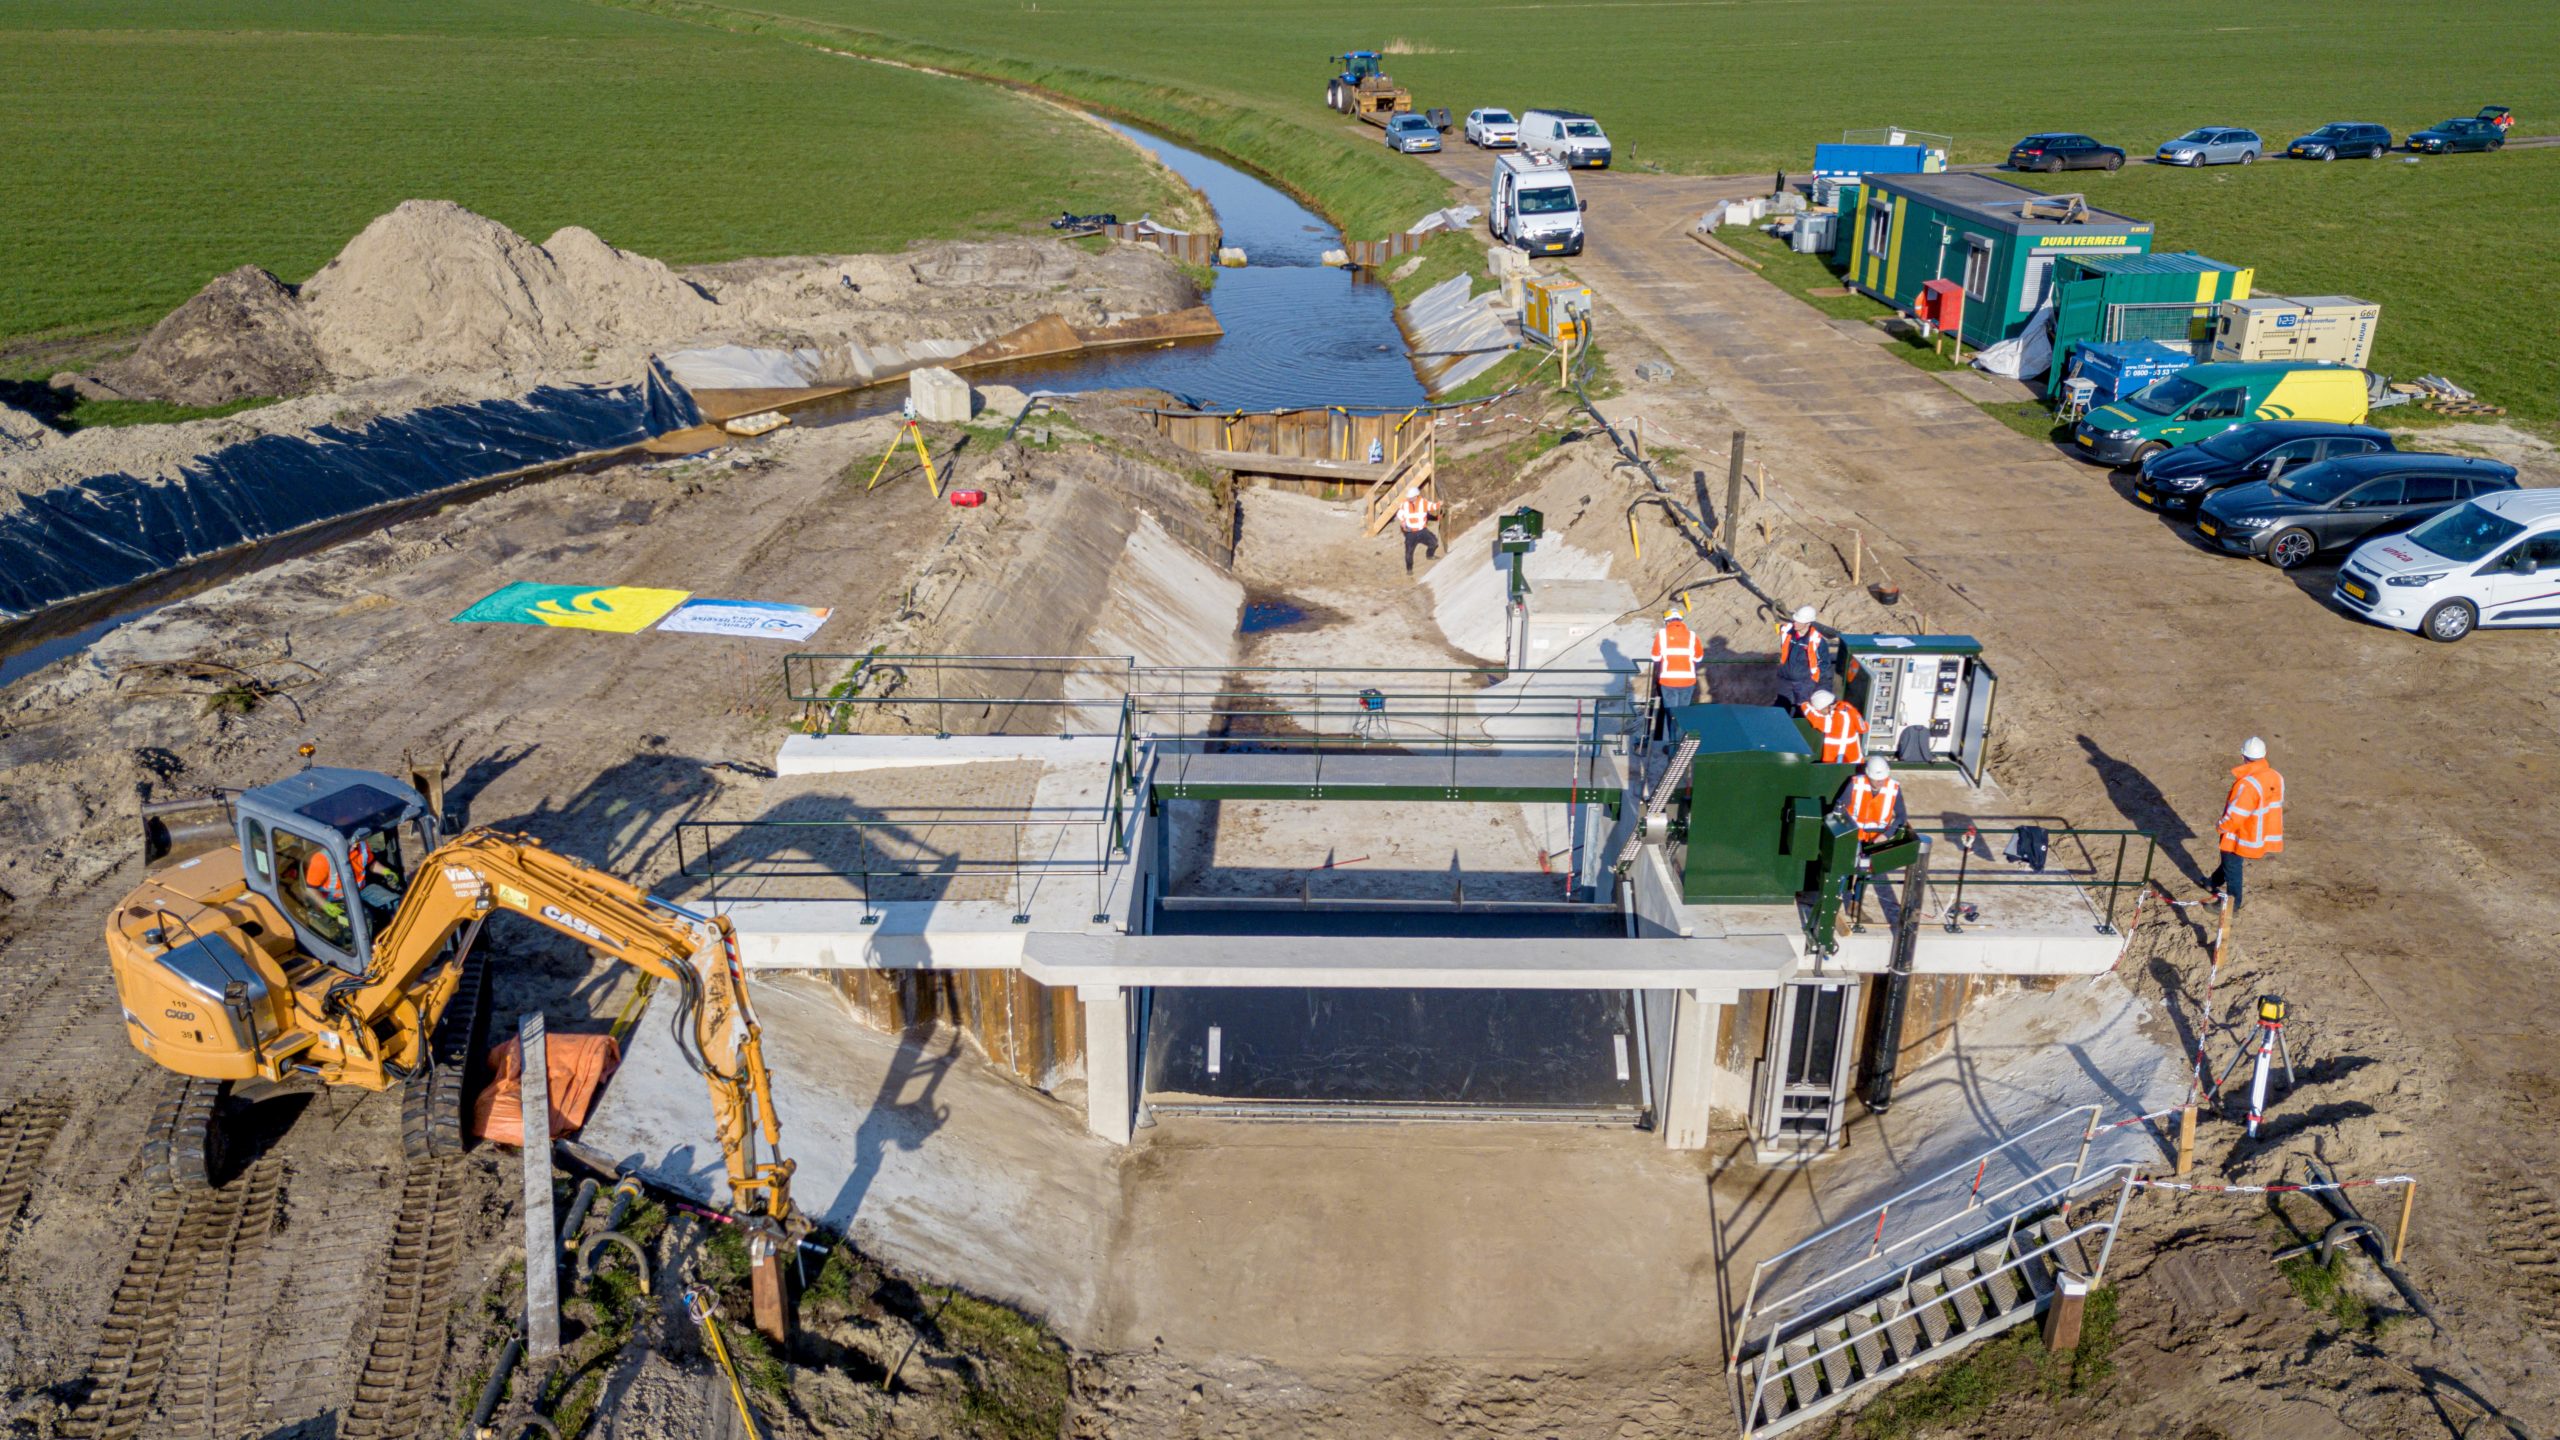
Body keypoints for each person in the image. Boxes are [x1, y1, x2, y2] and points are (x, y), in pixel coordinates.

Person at [2211, 737, 2284, 911]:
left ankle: (2232, 905)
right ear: (2264, 754)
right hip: (2261, 829)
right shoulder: (2276, 777)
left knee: (2232, 863)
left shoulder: (2247, 784)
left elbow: (2236, 815)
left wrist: (2221, 826)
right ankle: (2213, 882)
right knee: (2230, 862)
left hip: (2243, 831)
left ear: (2243, 756)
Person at [1839, 756, 1908, 926]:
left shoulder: (1893, 788)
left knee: (1866, 871)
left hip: (1876, 837)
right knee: (1845, 869)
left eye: (1882, 779)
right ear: (1868, 775)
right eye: (1875, 780)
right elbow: (1839, 807)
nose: (1879, 783)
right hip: (1853, 834)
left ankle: (1855, 905)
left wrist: (1886, 835)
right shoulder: (1855, 784)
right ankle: (1836, 905)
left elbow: (1901, 816)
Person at [1650, 607, 1705, 735]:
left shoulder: (1662, 635)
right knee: (1683, 715)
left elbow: (1655, 657)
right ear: (1681, 621)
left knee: (1672, 714)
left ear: (1667, 621)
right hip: (1688, 682)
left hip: (1668, 682)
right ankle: (1682, 741)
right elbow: (1699, 657)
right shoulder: (1692, 635)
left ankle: (1673, 745)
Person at [1774, 604, 1829, 709]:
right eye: (1795, 620)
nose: (1795, 623)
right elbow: (1778, 627)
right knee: (1780, 708)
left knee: (1803, 711)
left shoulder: (1817, 641)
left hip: (1805, 683)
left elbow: (1824, 663)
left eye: (1799, 621)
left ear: (1808, 623)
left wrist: (1812, 679)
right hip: (1784, 679)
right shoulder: (1787, 631)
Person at [1802, 687, 1867, 764]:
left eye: (1820, 711)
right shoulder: (1848, 707)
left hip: (1837, 763)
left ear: (1827, 707)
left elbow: (1816, 720)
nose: (1820, 713)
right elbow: (1864, 728)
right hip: (1856, 760)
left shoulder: (1834, 719)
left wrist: (1804, 704)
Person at [1398, 483, 1441, 575]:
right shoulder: (1404, 504)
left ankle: (1429, 555)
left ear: (1416, 496)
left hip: (1422, 531)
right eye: (1409, 497)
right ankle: (1409, 569)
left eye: (1411, 497)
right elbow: (1400, 514)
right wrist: (1402, 522)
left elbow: (1432, 506)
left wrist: (1439, 504)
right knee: (1409, 552)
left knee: (1434, 542)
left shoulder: (1423, 502)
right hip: (1410, 533)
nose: (1409, 499)